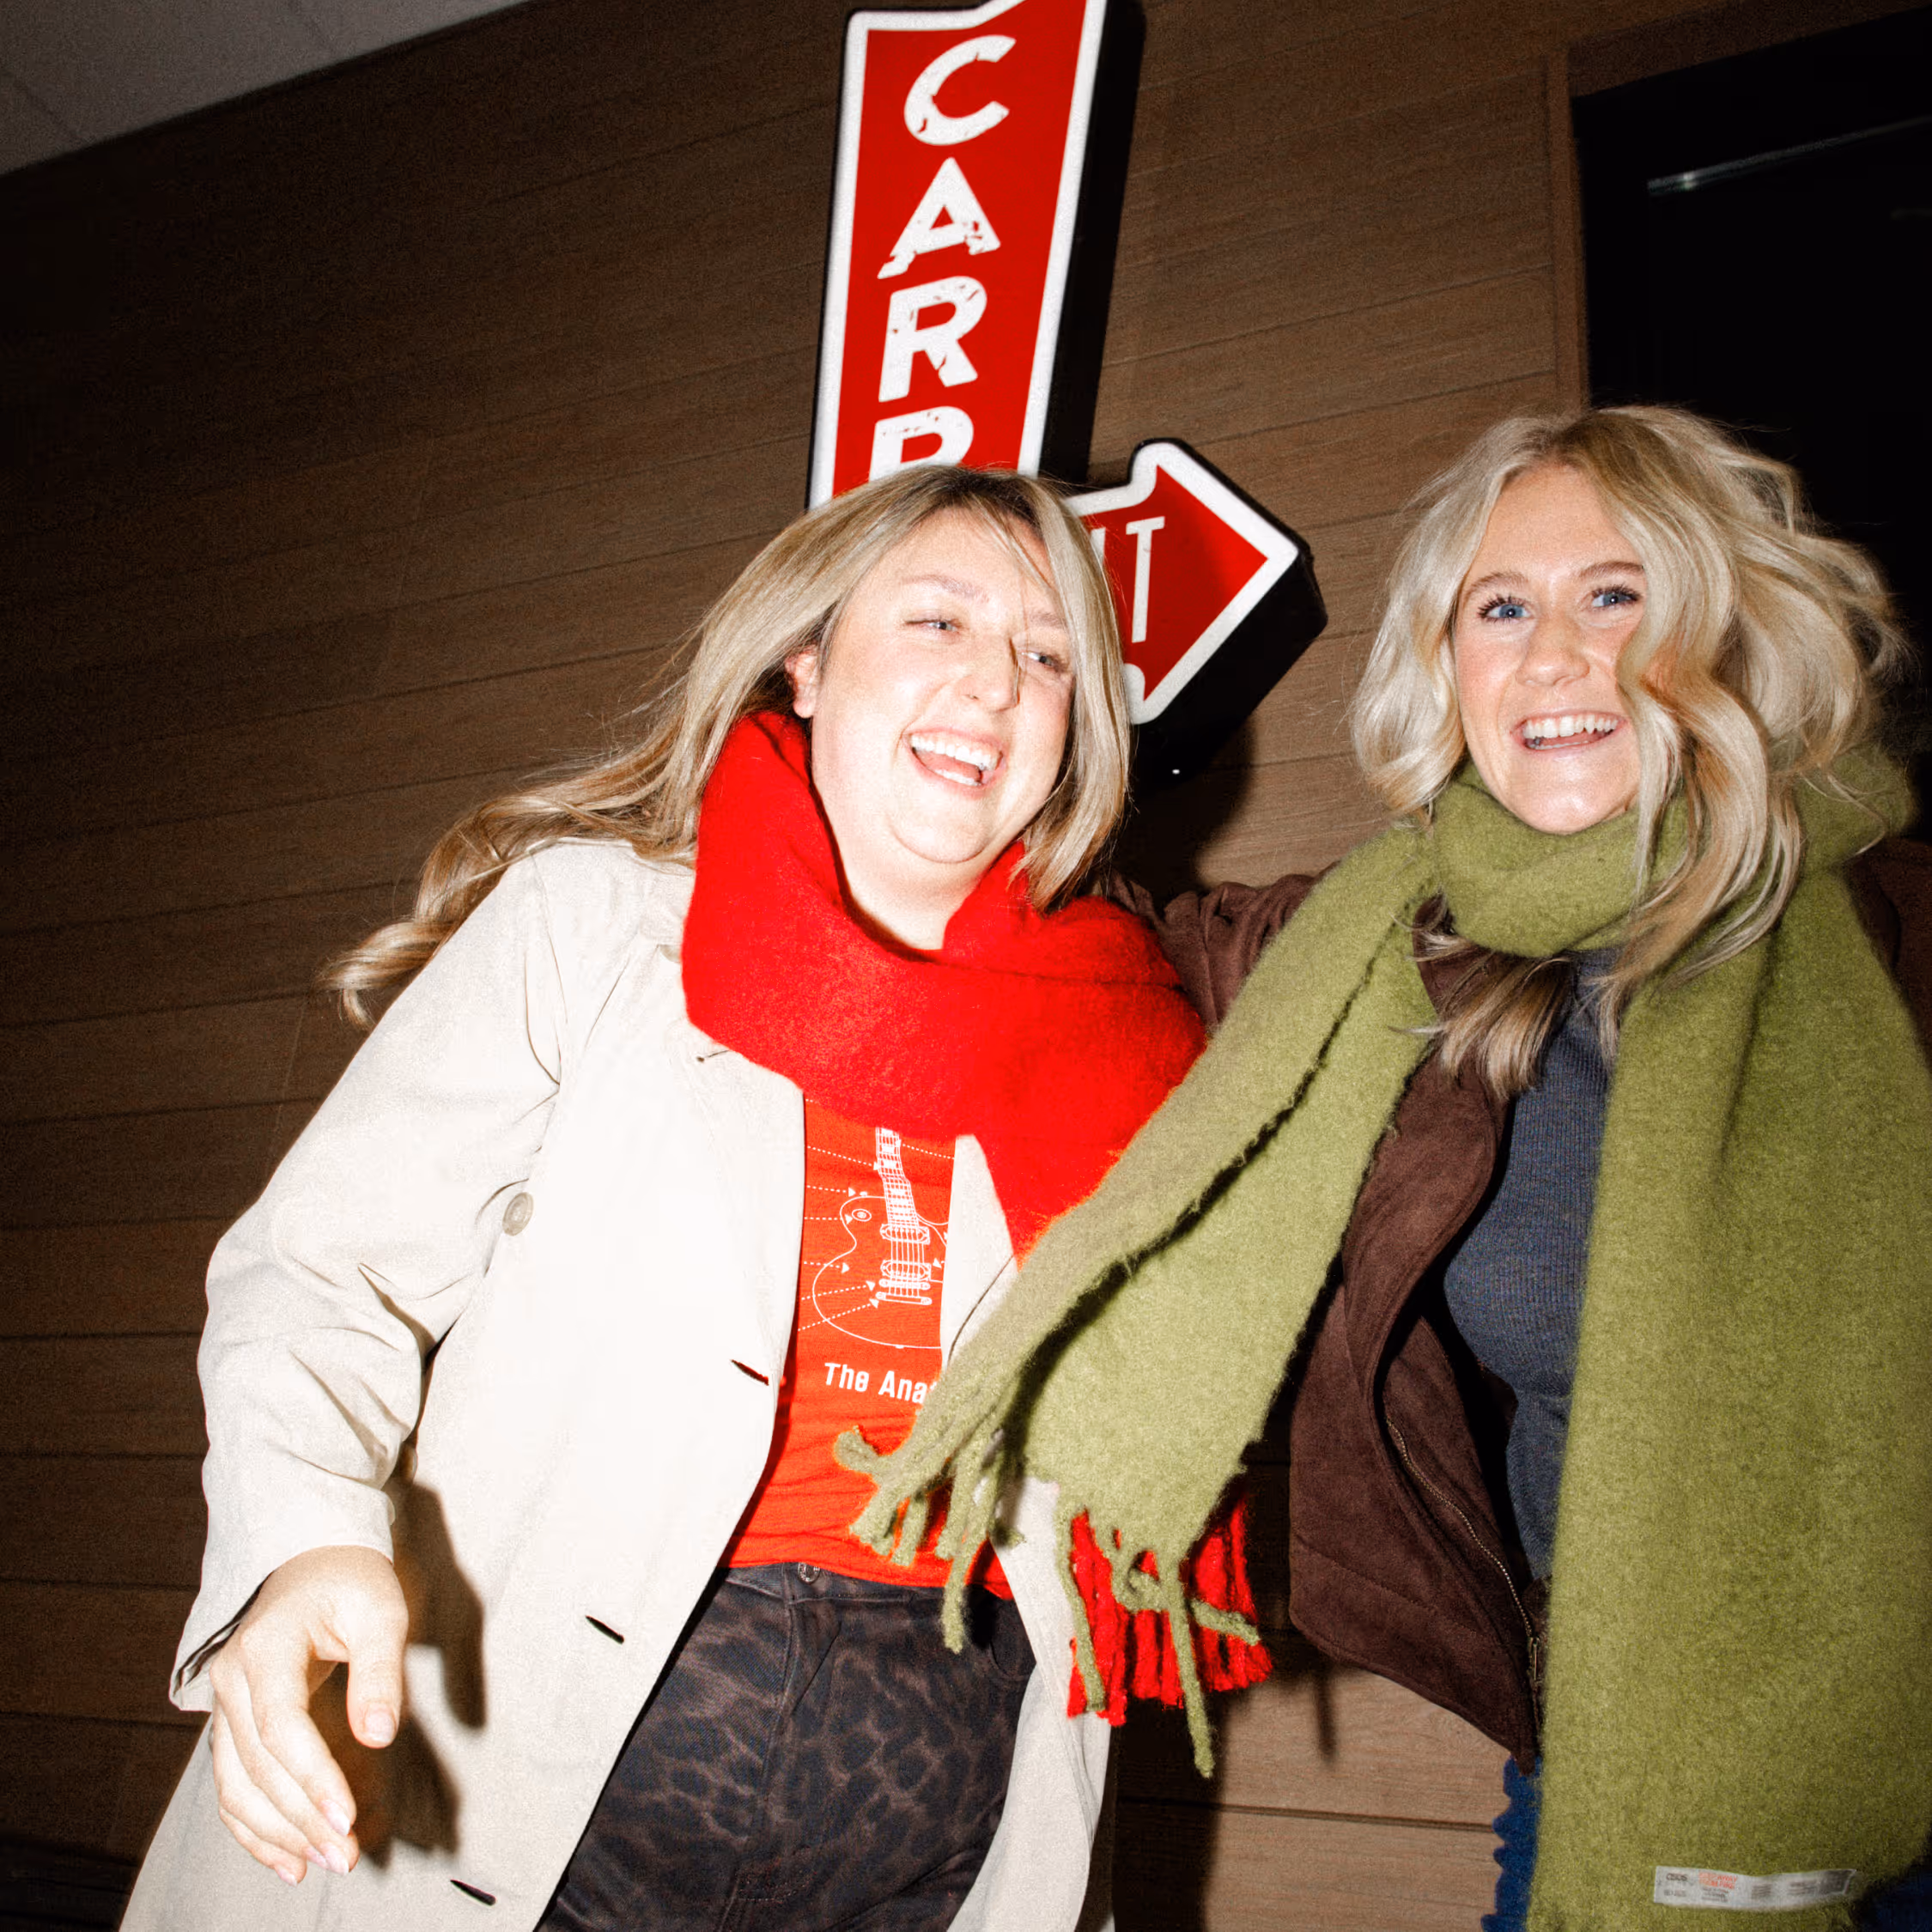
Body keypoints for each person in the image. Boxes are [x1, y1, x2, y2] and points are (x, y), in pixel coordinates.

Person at [854, 408, 1932, 1929]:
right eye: (1500, 609)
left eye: (1613, 592)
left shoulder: (1892, 936)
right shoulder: (1389, 951)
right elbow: (1074, 946)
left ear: (1726, 623)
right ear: (1447, 666)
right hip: (1609, 1753)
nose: (1554, 655)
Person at [120, 463, 1210, 1932]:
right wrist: (303, 1539)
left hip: (931, 1827)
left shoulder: (1127, 1036)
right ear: (806, 661)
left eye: (1047, 654)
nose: (994, 681)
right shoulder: (593, 924)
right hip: (504, 1774)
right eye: (938, 620)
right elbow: (323, 1270)